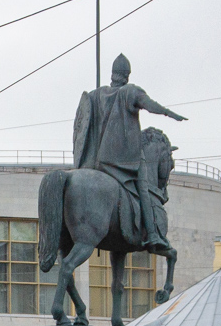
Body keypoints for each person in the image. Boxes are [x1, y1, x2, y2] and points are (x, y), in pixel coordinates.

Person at [73, 54, 186, 251]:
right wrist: (169, 113)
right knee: (143, 189)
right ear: (127, 75)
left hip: (99, 161)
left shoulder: (97, 94)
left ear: (113, 74)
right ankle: (152, 234)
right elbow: (149, 105)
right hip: (126, 159)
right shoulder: (130, 92)